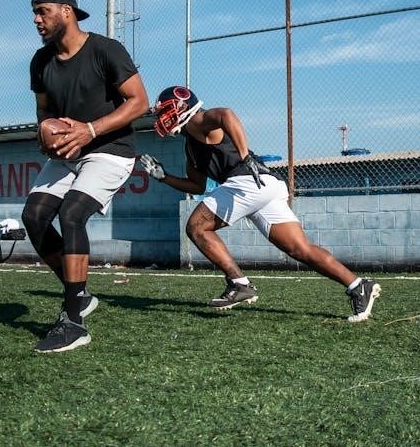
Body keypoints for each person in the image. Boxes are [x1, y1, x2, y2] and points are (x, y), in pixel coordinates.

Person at [139, 86, 381, 322]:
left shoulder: (200, 122)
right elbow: (197, 186)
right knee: (300, 249)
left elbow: (226, 114)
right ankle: (358, 285)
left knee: (196, 227)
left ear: (182, 106)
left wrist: (244, 156)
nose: (162, 117)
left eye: (165, 110)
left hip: (247, 181)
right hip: (266, 185)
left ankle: (239, 283)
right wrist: (164, 177)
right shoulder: (190, 147)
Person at [21, 0, 148, 353]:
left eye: (43, 11)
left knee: (72, 214)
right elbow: (43, 109)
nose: (36, 19)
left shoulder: (106, 49)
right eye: (35, 12)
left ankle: (73, 323)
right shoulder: (40, 61)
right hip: (68, 152)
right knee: (34, 217)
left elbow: (138, 102)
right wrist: (46, 132)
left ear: (67, 11)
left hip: (111, 150)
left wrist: (90, 129)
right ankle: (79, 293)